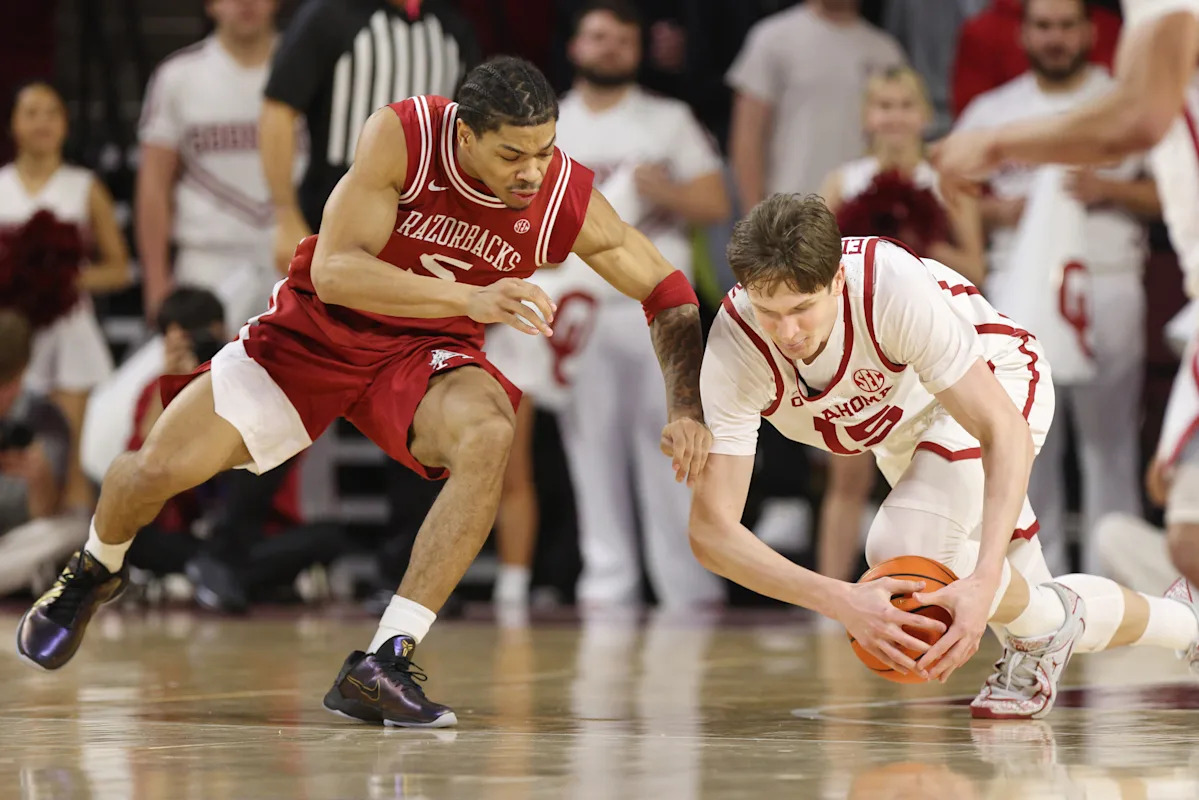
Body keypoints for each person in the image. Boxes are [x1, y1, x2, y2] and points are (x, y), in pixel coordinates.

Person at [16, 56, 711, 729]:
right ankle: (95, 568)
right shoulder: (404, 136)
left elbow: (668, 291)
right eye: (511, 155)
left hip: (419, 353)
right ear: (465, 136)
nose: (531, 172)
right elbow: (337, 271)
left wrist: (685, 407)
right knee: (153, 471)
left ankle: (385, 660)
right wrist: (468, 296)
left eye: (544, 150)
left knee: (490, 430)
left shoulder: (559, 195)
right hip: (316, 332)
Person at [688, 194, 1199, 719]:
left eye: (802, 309)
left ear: (838, 281)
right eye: (769, 313)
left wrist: (983, 577)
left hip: (995, 385)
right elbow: (711, 533)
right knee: (1033, 605)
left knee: (905, 551)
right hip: (905, 434)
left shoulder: (888, 286)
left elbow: (1000, 429)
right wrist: (840, 599)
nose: (787, 332)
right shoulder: (736, 346)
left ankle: (1040, 636)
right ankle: (1184, 623)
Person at [930, 0, 1199, 590]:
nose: (1055, 38)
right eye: (1043, 25)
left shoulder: (1143, 56)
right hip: (1018, 282)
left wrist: (1001, 147)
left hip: (1109, 274)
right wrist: (1002, 199)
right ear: (1023, 33)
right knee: (1023, 440)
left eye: (1066, 25)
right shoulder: (997, 105)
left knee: (1114, 445)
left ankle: (1117, 593)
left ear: (1088, 30)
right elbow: (959, 202)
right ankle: (1039, 590)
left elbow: (1139, 123)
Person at [533, 0, 730, 608]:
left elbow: (715, 201)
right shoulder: (549, 123)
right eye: (598, 36)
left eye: (623, 39)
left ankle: (688, 585)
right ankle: (607, 586)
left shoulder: (668, 118)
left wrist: (664, 190)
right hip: (582, 314)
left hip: (661, 311)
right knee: (590, 452)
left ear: (640, 50)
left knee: (677, 447)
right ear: (574, 46)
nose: (611, 48)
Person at [814, 65, 984, 581]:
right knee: (848, 475)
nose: (894, 117)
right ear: (867, 115)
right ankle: (831, 600)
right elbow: (814, 264)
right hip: (858, 339)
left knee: (934, 470)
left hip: (932, 337)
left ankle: (936, 589)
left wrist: (916, 241)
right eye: (884, 106)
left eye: (906, 105)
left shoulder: (947, 181)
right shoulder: (843, 180)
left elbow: (976, 267)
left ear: (924, 115)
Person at [0, 81, 130, 513]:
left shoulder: (84, 186)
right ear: (12, 124)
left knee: (70, 462)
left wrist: (64, 280)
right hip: (9, 338)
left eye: (52, 112)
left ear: (66, 124)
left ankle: (73, 553)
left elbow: (119, 268)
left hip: (69, 336)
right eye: (31, 112)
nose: (43, 122)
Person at [137, 0, 299, 332]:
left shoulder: (310, 63)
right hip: (207, 261)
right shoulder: (177, 75)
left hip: (294, 257)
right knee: (199, 365)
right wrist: (156, 283)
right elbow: (154, 184)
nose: (246, 3)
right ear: (209, 5)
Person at [0, 310, 84, 597]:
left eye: (6, 384)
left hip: (19, 543)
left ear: (22, 373)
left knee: (75, 530)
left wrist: (40, 480)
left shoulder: (46, 419)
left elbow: (44, 518)